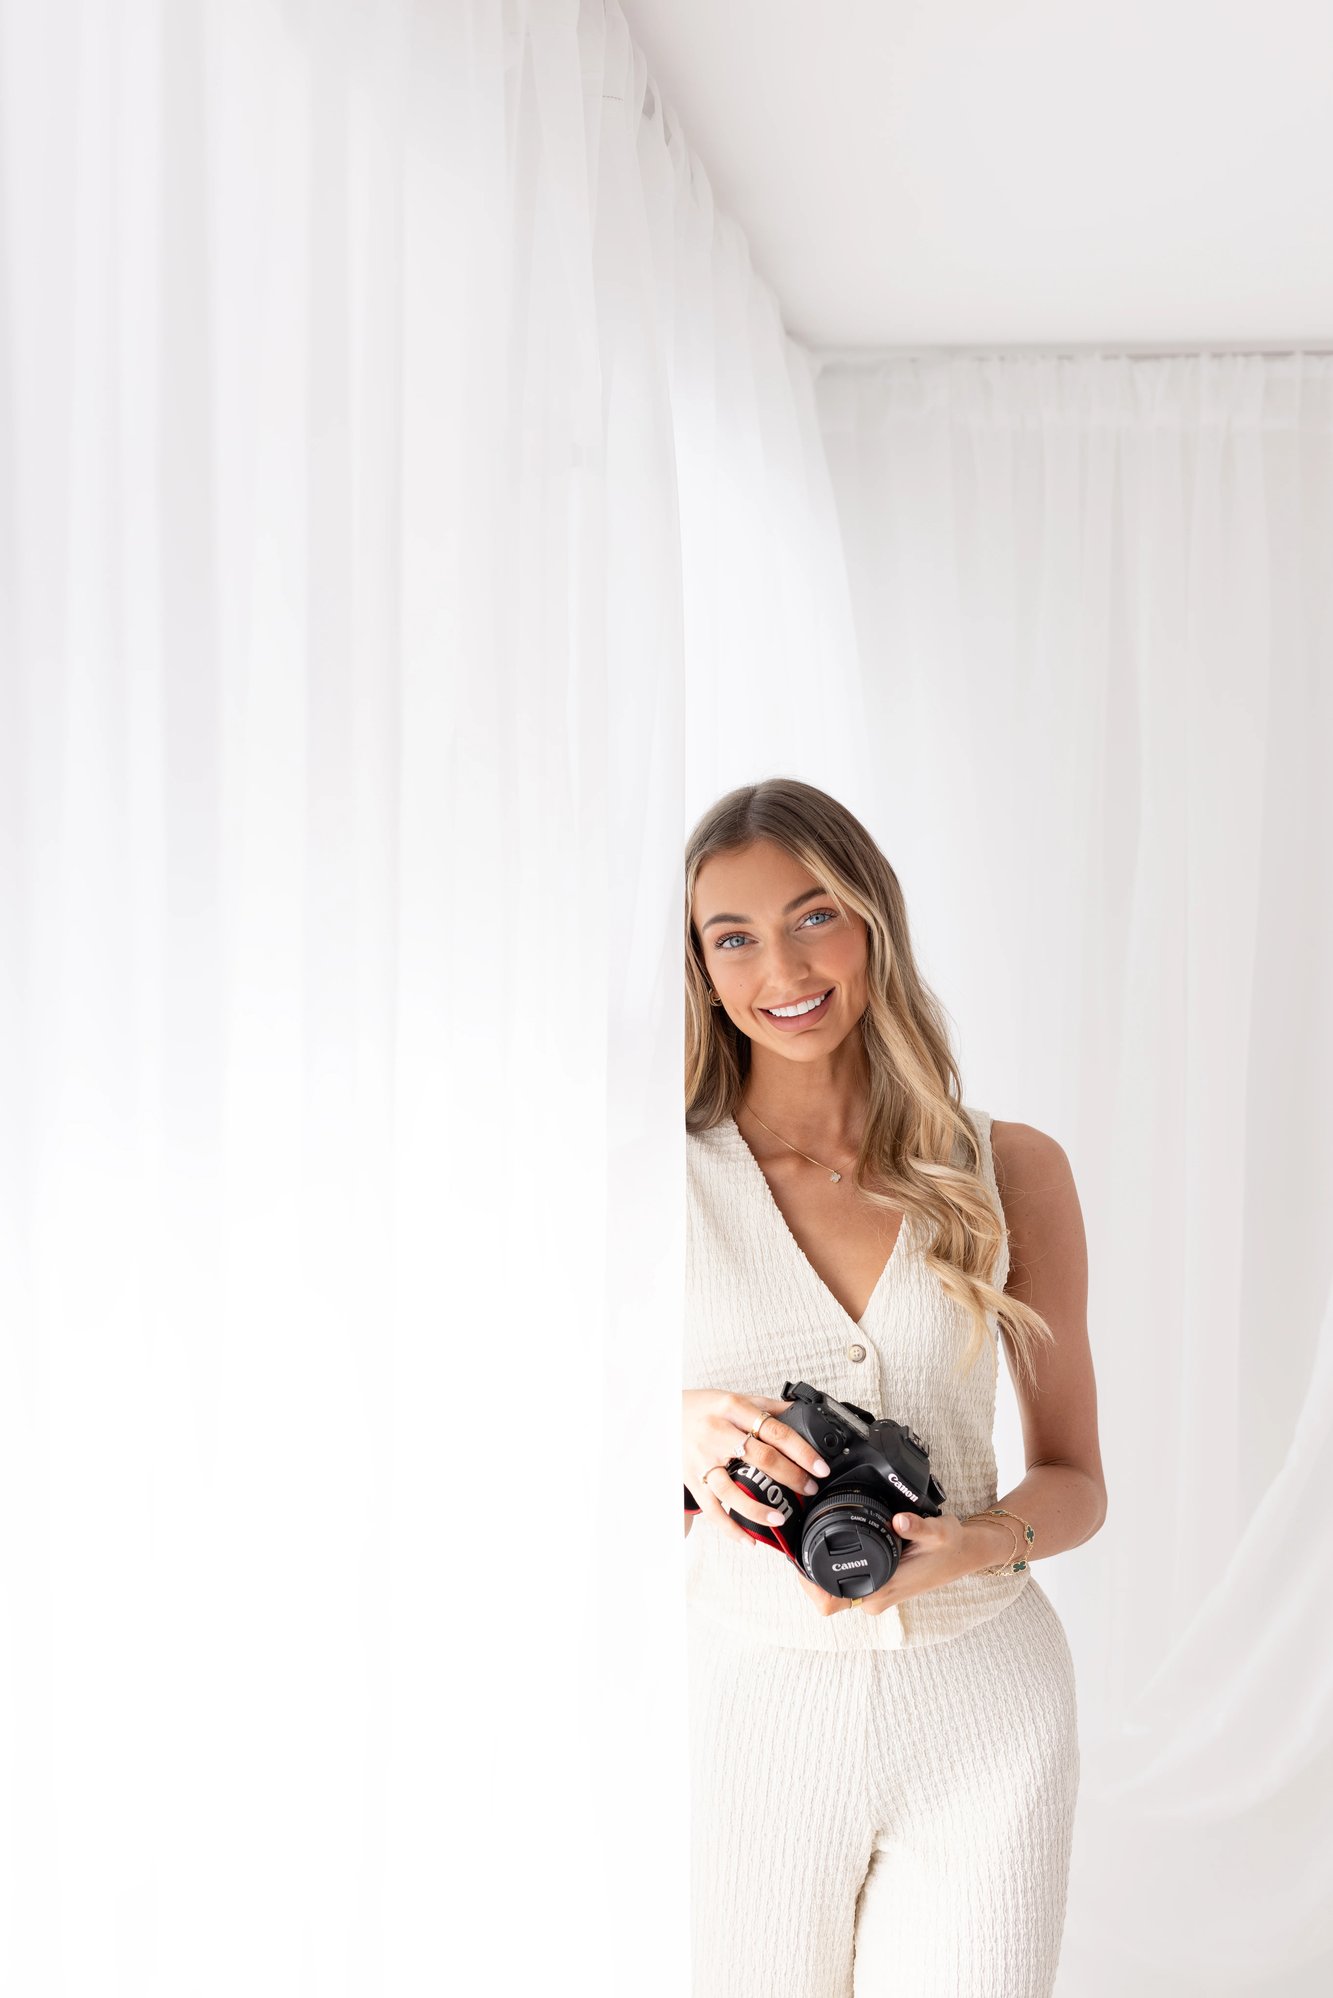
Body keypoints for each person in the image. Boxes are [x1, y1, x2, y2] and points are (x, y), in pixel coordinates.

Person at [681, 777, 1106, 1998]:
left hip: (986, 1712)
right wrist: (668, 1433)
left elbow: (1078, 1482)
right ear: (702, 968)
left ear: (873, 921)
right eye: (734, 936)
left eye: (815, 915)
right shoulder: (649, 1179)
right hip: (745, 1712)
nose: (782, 966)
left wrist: (975, 1541)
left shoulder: (1004, 1170)